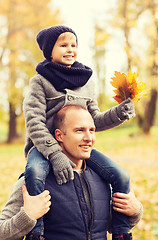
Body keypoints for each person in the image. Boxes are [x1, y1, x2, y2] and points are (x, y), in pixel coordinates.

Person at [23, 25, 136, 239]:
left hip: (76, 147)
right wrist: (55, 155)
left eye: (74, 45)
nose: (70, 49)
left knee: (121, 175)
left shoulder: (86, 81)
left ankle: (121, 232)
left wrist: (119, 112)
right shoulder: (39, 82)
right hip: (45, 148)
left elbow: (94, 120)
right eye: (63, 45)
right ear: (50, 51)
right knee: (34, 173)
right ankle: (36, 232)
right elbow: (34, 123)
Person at [0, 106, 142, 240]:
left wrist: (135, 211)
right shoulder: (35, 181)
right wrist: (27, 216)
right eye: (79, 130)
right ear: (59, 135)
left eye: (91, 130)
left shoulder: (103, 178)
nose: (89, 138)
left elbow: (108, 226)